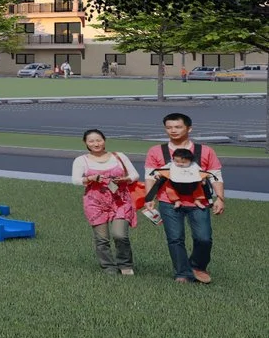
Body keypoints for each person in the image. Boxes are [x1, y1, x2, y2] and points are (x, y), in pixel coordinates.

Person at [141, 112, 226, 283]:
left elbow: (215, 175)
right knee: (175, 238)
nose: (173, 130)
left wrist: (220, 198)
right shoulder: (156, 151)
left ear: (189, 128)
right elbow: (150, 176)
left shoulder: (205, 151)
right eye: (169, 127)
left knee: (204, 238)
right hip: (168, 201)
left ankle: (197, 266)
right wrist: (149, 199)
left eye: (178, 127)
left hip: (199, 201)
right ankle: (182, 273)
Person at [69, 129, 141, 276]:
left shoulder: (119, 156)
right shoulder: (81, 160)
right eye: (91, 141)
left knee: (120, 235)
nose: (96, 143)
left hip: (120, 200)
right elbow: (75, 180)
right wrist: (89, 178)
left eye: (99, 140)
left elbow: (135, 174)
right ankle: (108, 267)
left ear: (104, 140)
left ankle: (125, 264)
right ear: (85, 143)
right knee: (102, 239)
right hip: (95, 202)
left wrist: (126, 179)